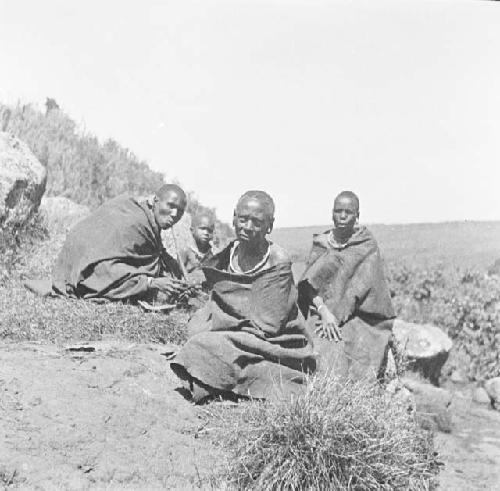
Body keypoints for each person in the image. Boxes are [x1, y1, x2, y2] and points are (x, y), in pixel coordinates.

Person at [170, 190, 316, 403]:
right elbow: (222, 297)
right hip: (236, 330)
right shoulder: (230, 252)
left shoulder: (278, 260)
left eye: (257, 222)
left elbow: (271, 323)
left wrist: (228, 324)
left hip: (273, 341)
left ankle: (229, 380)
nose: (247, 227)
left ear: (270, 225)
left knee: (202, 345)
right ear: (234, 217)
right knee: (196, 331)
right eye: (243, 219)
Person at [298, 191, 395, 381]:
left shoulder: (366, 244)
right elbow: (309, 284)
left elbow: (365, 287)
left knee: (359, 349)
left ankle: (352, 395)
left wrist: (339, 314)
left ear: (357, 215)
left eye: (348, 212)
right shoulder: (321, 243)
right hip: (321, 309)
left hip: (359, 314)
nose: (342, 216)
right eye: (338, 211)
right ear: (331, 213)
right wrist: (325, 312)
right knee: (318, 344)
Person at [49, 184, 190, 301]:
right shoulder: (135, 222)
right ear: (155, 201)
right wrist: (150, 282)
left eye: (180, 211)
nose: (175, 214)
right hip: (85, 270)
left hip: (87, 258)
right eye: (171, 205)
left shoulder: (147, 220)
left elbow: (157, 252)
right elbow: (105, 266)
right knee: (156, 293)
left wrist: (180, 277)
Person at [179, 212, 215, 284]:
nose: (206, 233)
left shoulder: (212, 255)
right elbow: (177, 274)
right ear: (192, 230)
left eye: (210, 230)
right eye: (203, 228)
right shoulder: (185, 251)